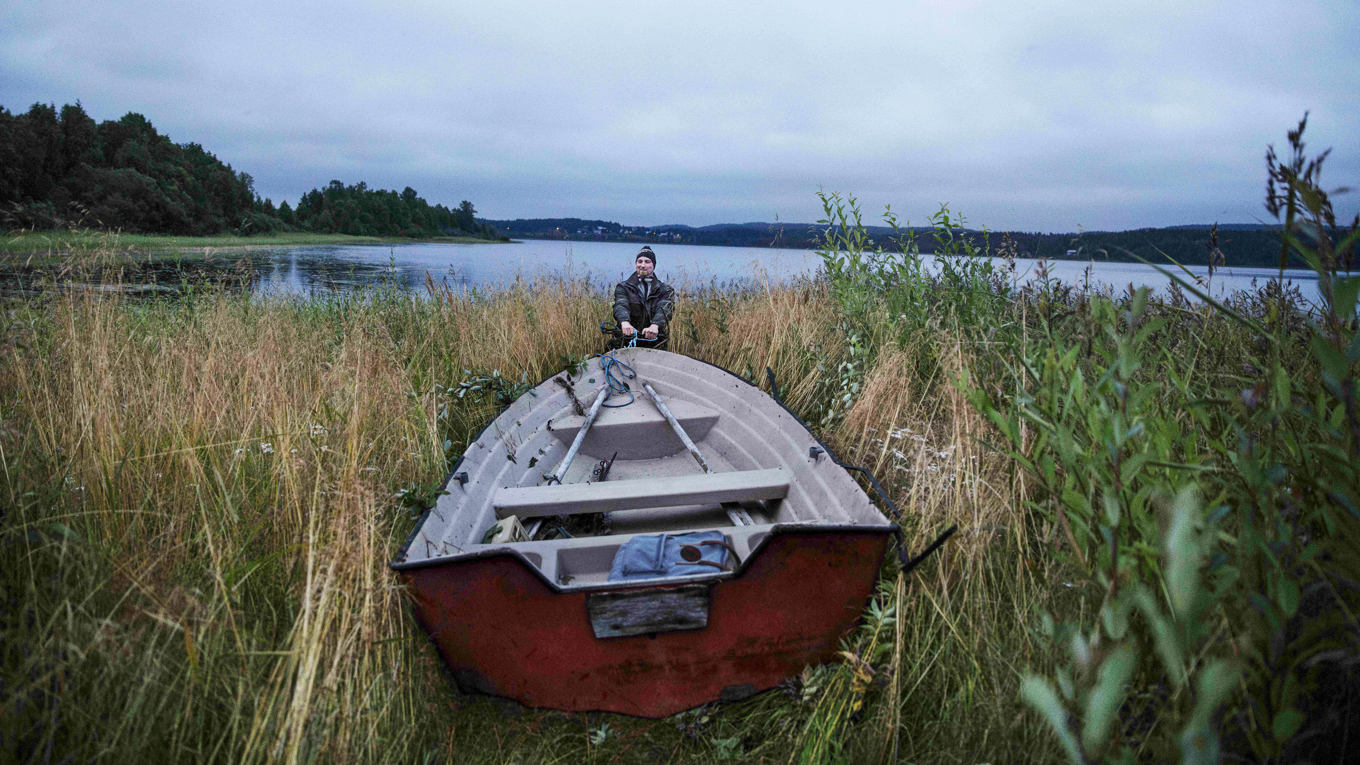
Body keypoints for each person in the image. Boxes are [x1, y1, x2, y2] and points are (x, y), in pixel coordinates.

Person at [611, 245, 675, 350]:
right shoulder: (623, 287)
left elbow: (665, 308)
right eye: (639, 261)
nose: (643, 265)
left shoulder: (666, 290)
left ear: (654, 265)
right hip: (625, 340)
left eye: (647, 261)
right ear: (636, 264)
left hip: (655, 341)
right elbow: (620, 305)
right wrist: (625, 323)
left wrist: (655, 326)